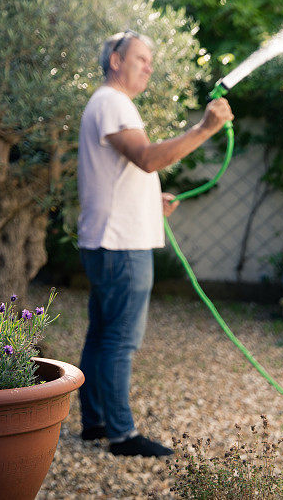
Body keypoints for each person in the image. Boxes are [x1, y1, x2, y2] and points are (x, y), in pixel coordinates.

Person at [76, 30, 233, 457]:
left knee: (102, 334)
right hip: (120, 246)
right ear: (115, 60)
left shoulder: (106, 103)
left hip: (107, 242)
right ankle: (123, 435)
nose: (148, 66)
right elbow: (146, 158)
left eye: (151, 60)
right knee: (119, 341)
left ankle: (95, 423)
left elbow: (124, 173)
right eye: (141, 58)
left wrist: (151, 199)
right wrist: (205, 128)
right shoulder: (112, 101)